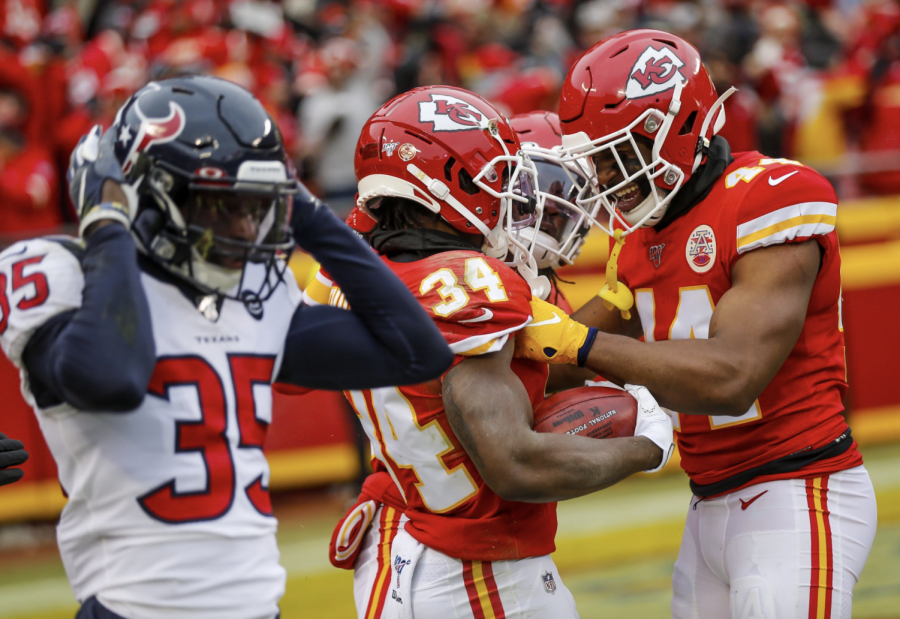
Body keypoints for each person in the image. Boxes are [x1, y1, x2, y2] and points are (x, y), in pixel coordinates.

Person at [0, 75, 453, 619]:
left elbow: (418, 352)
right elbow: (112, 378)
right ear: (142, 193)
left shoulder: (245, 291)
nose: (243, 227)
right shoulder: (62, 271)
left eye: (254, 204)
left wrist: (305, 212)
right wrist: (106, 227)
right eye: (219, 205)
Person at [514, 29, 877, 619]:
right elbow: (548, 360)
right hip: (707, 503)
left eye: (616, 154)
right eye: (597, 160)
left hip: (795, 488)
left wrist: (576, 343)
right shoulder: (640, 237)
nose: (606, 178)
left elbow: (733, 377)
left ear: (677, 129)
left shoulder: (768, 196)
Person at [321, 85, 674, 619]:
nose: (513, 199)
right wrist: (649, 446)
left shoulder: (355, 272)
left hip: (422, 539)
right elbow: (514, 463)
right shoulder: (471, 284)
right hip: (472, 566)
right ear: (440, 183)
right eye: (501, 180)